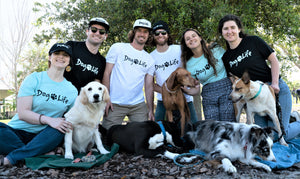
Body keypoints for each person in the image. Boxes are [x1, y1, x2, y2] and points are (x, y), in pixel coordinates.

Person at [218, 14, 300, 140]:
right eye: (226, 29)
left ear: (239, 29)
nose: (230, 31)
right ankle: (289, 119)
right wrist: (240, 95)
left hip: (274, 90)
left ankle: (296, 122)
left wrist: (275, 83)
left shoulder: (253, 41)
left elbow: (274, 60)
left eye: (233, 27)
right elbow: (234, 80)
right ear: (222, 32)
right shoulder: (226, 57)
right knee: (263, 136)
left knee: (281, 135)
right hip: (255, 97)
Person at [0, 43, 77, 166]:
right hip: (15, 132)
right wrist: (48, 120)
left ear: (69, 61)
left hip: (45, 137)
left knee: (62, 128)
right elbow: (23, 113)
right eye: (57, 53)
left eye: (65, 55)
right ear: (49, 57)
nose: (61, 57)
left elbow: (73, 119)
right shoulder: (34, 78)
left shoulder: (72, 90)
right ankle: (41, 153)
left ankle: (12, 158)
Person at [102, 19, 155, 130]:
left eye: (145, 32)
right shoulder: (118, 48)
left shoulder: (149, 59)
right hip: (115, 103)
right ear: (134, 32)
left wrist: (150, 110)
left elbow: (149, 85)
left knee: (144, 135)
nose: (142, 34)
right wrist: (106, 99)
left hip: (138, 105)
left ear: (149, 35)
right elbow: (107, 73)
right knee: (107, 135)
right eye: (139, 30)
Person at [180, 28, 235, 121]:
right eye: (188, 39)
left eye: (194, 36)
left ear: (200, 38)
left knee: (228, 124)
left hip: (226, 88)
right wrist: (188, 91)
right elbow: (196, 89)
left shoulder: (216, 49)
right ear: (185, 43)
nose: (191, 39)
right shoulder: (188, 64)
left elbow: (231, 67)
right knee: (212, 126)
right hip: (208, 94)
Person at [150, 20, 198, 124]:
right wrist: (167, 90)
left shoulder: (179, 49)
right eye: (157, 33)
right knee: (159, 131)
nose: (160, 35)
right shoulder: (150, 57)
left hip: (185, 99)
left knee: (194, 129)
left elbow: (194, 65)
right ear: (153, 36)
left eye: (163, 32)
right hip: (163, 101)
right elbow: (150, 84)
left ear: (168, 34)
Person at [64, 17, 109, 93]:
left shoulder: (102, 61)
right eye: (94, 30)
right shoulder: (71, 46)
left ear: (105, 36)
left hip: (82, 102)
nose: (97, 33)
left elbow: (96, 84)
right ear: (87, 31)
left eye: (102, 31)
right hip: (60, 96)